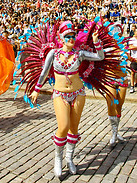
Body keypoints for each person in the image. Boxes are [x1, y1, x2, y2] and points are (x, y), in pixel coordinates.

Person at [30, 21, 104, 177]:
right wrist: (37, 90)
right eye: (67, 36)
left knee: (74, 128)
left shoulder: (79, 54)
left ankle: (69, 158)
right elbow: (44, 73)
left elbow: (99, 56)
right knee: (63, 126)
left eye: (73, 36)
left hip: (78, 93)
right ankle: (58, 159)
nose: (71, 39)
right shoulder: (53, 54)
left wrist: (96, 42)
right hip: (60, 94)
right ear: (61, 39)